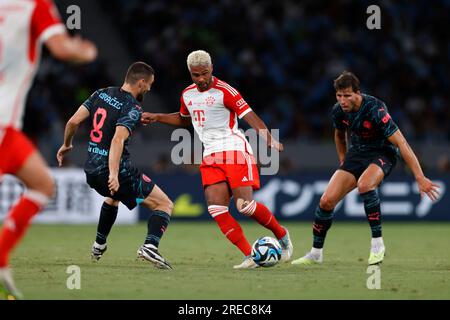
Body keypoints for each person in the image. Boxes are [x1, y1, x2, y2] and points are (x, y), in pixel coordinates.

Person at [141, 50, 293, 269]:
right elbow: (185, 120)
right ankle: (250, 255)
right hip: (210, 155)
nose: (201, 79)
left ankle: (282, 234)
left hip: (233, 150)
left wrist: (268, 139)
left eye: (204, 73)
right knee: (216, 209)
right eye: (196, 75)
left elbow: (250, 116)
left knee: (245, 206)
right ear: (190, 73)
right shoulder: (187, 95)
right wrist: (157, 117)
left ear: (211, 68)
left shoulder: (225, 91)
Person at [0, 0, 97, 299]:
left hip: (9, 130)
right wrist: (85, 51)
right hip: (2, 123)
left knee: (43, 183)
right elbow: (62, 48)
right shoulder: (35, 5)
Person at [291, 71, 440, 266]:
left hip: (382, 153)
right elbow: (339, 135)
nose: (343, 100)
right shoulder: (338, 111)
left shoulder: (375, 109)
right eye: (339, 95)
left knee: (365, 185)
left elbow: (401, 142)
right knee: (326, 201)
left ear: (357, 93)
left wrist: (419, 177)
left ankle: (377, 244)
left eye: (347, 95)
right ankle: (316, 253)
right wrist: (344, 161)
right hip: (357, 154)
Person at [57, 62, 174, 270]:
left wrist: (67, 145)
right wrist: (114, 173)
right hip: (116, 169)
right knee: (164, 204)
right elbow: (117, 140)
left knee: (113, 197)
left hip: (91, 169)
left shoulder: (100, 94)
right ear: (141, 82)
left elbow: (73, 122)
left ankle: (99, 244)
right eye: (149, 84)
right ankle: (150, 246)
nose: (149, 89)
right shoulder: (132, 106)